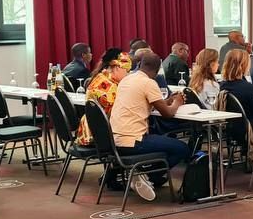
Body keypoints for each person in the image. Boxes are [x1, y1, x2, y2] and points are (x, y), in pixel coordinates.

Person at [109, 53, 190, 202]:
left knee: (164, 143)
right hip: (134, 141)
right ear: (158, 69)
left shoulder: (127, 80)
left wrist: (168, 100)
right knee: (182, 148)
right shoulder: (148, 83)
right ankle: (149, 176)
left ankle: (146, 176)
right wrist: (178, 102)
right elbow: (167, 114)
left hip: (114, 140)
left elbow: (147, 103)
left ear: (140, 64)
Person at [77, 50, 131, 148]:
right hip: (101, 135)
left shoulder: (100, 77)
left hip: (92, 131)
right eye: (127, 71)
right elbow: (116, 115)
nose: (128, 74)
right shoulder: (109, 87)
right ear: (117, 67)